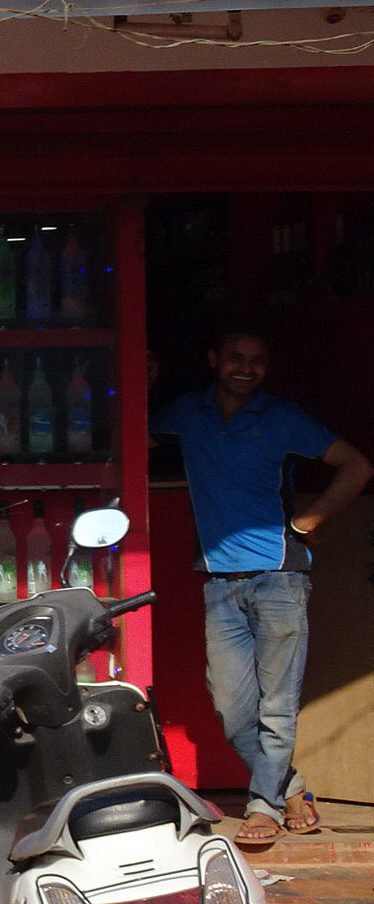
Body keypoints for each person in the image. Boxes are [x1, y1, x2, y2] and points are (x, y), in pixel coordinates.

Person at [152, 327, 369, 849]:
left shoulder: (283, 417)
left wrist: (309, 519)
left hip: (280, 579)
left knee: (277, 707)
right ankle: (291, 788)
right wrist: (144, 376)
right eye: (235, 358)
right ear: (213, 359)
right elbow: (130, 435)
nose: (246, 368)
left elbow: (357, 465)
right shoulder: (188, 412)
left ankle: (263, 805)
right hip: (219, 583)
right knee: (231, 711)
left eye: (257, 360)